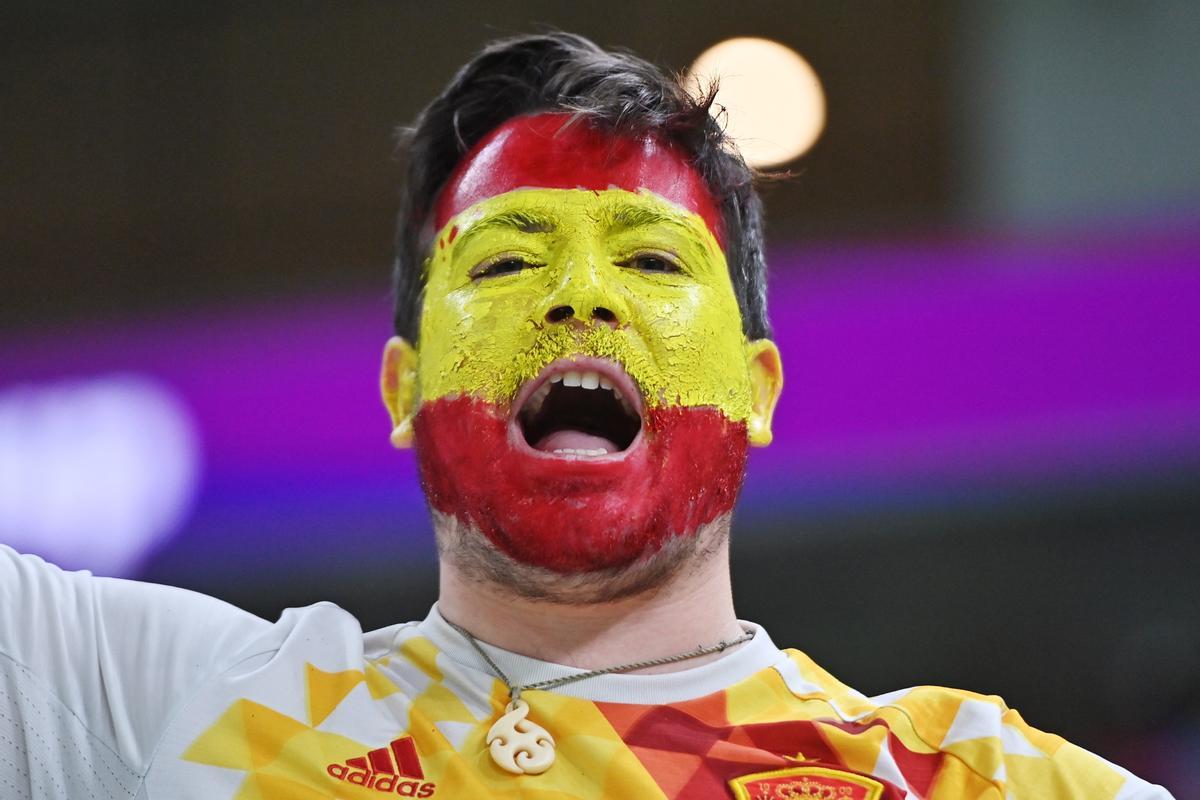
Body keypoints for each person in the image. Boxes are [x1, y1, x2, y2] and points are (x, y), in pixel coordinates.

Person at [0, 32, 1174, 800]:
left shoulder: (969, 778)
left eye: (653, 263)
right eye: (507, 262)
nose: (580, 293)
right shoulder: (171, 704)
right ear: (404, 387)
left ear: (757, 388)